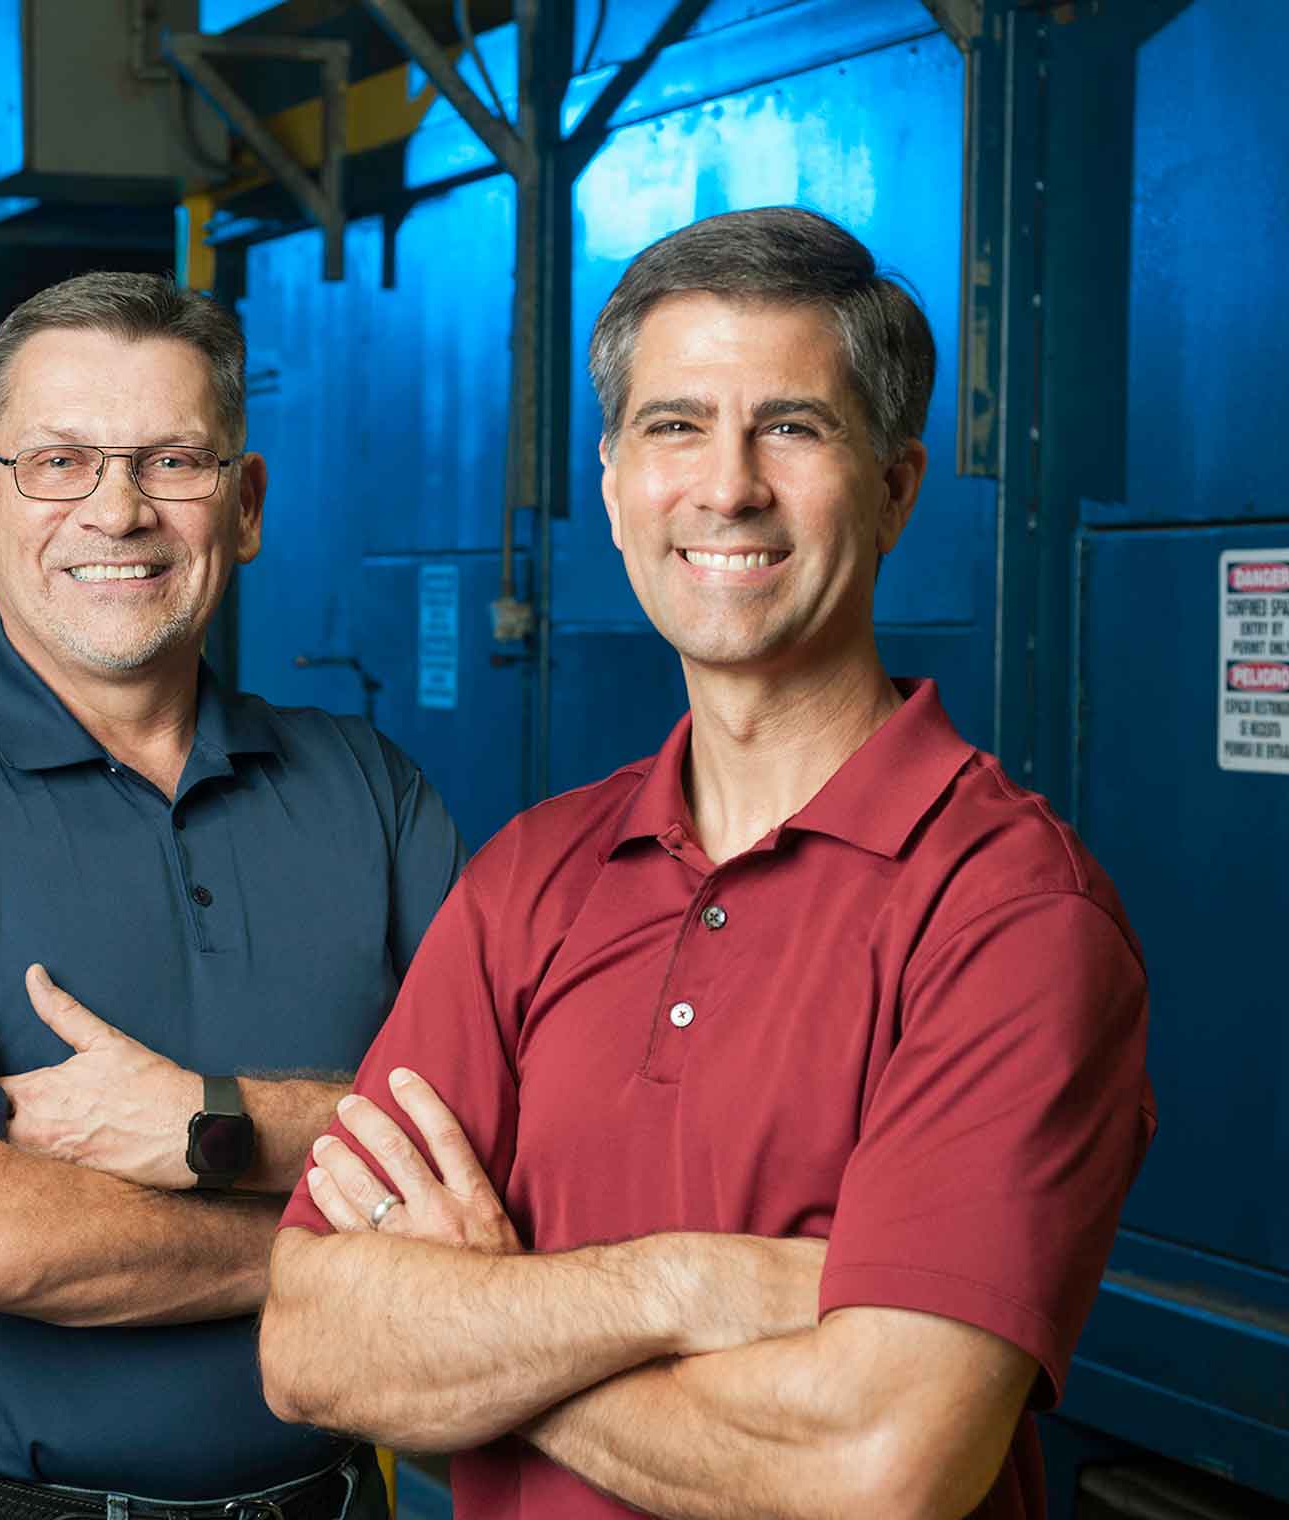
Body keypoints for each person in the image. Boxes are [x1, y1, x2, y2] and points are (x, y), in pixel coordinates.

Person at [260, 208, 1156, 1520]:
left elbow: (877, 1470)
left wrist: (484, 1322)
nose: (728, 487)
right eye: (675, 427)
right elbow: (309, 1343)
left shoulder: (1013, 919)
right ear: (615, 485)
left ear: (897, 486)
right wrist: (682, 1287)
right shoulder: (531, 881)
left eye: (792, 426)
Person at [0, 272, 464, 1520]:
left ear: (243, 506)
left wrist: (210, 1118)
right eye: (60, 461)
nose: (117, 512)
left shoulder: (369, 789)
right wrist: (353, 1240)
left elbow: (511, 1142)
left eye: (173, 459)